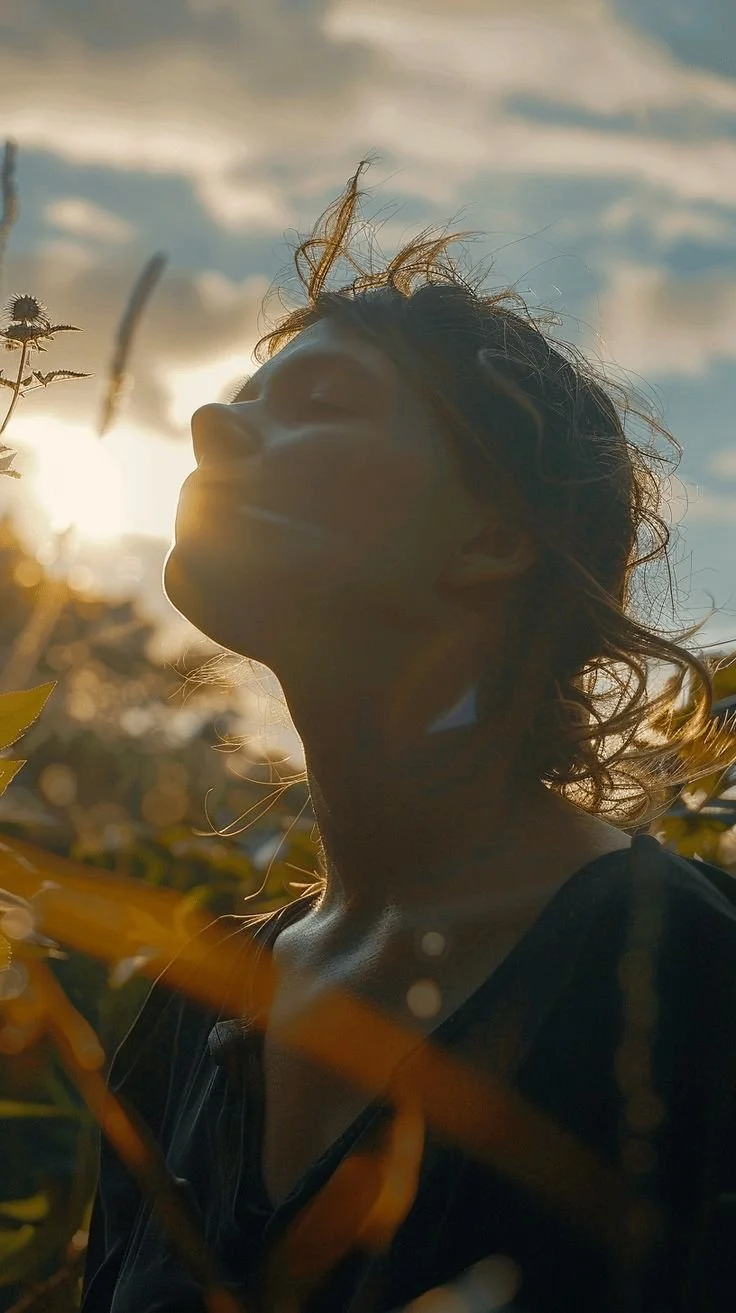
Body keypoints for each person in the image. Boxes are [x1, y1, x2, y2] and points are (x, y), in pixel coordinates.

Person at [80, 160, 736, 1313]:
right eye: (244, 395)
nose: (209, 421)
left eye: (319, 403)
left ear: (489, 539)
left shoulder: (685, 979)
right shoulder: (195, 1008)